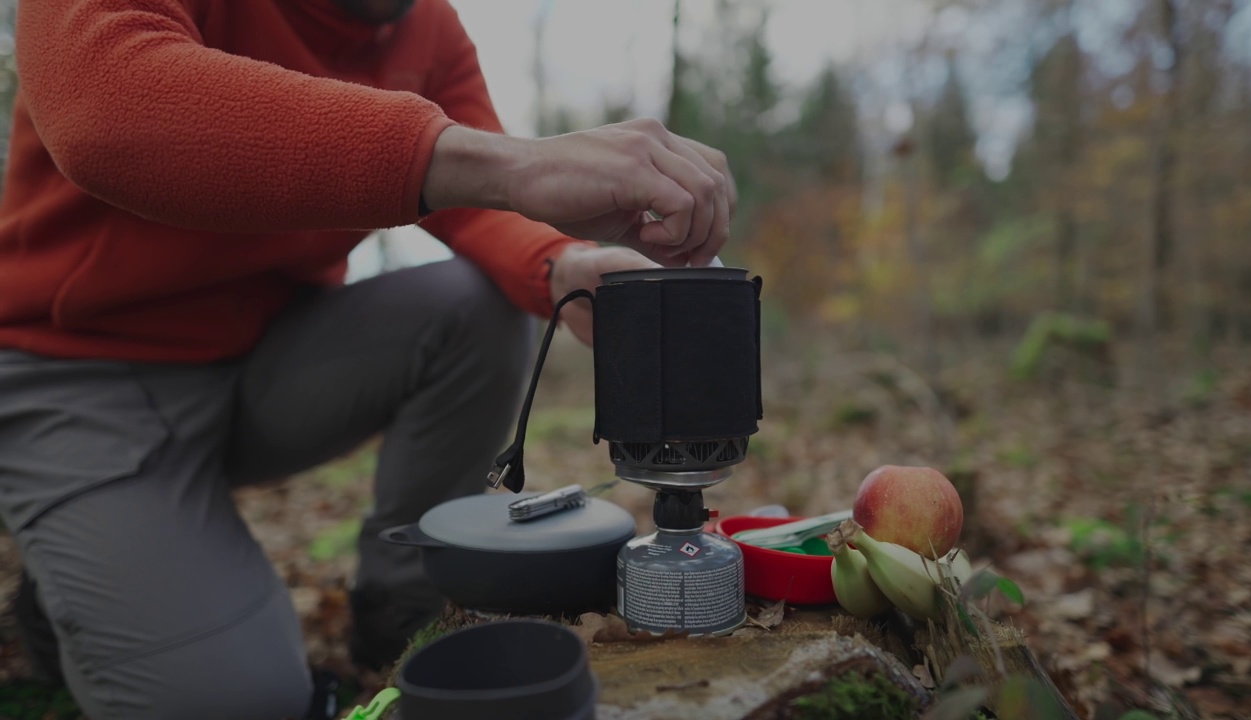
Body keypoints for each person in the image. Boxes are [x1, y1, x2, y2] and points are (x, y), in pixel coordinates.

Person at [0, 0, 737, 717]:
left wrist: (559, 263)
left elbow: (472, 198)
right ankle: (73, 575)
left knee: (475, 304)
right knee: (236, 703)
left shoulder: (429, 29)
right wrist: (509, 164)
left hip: (265, 361)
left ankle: (400, 612)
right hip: (75, 374)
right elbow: (106, 108)